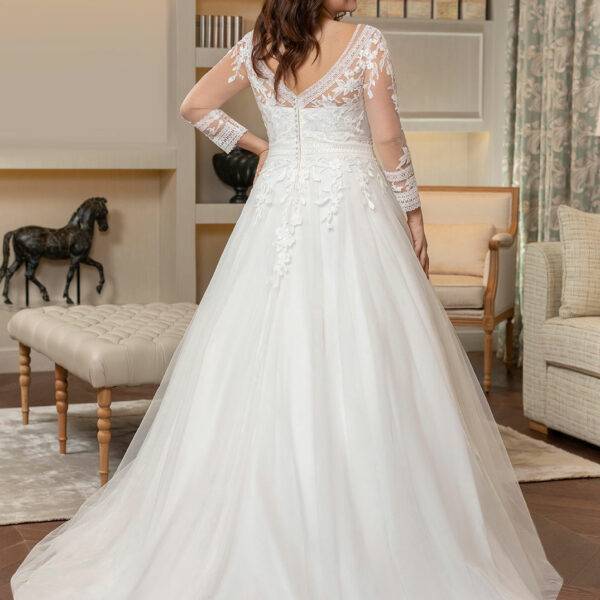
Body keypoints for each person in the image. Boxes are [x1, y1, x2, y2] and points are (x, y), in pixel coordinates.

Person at [12, 0, 563, 598]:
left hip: (278, 208)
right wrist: (413, 212)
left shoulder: (260, 44)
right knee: (367, 354)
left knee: (265, 350)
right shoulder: (365, 42)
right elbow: (387, 138)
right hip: (353, 211)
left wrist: (260, 145)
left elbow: (194, 106)